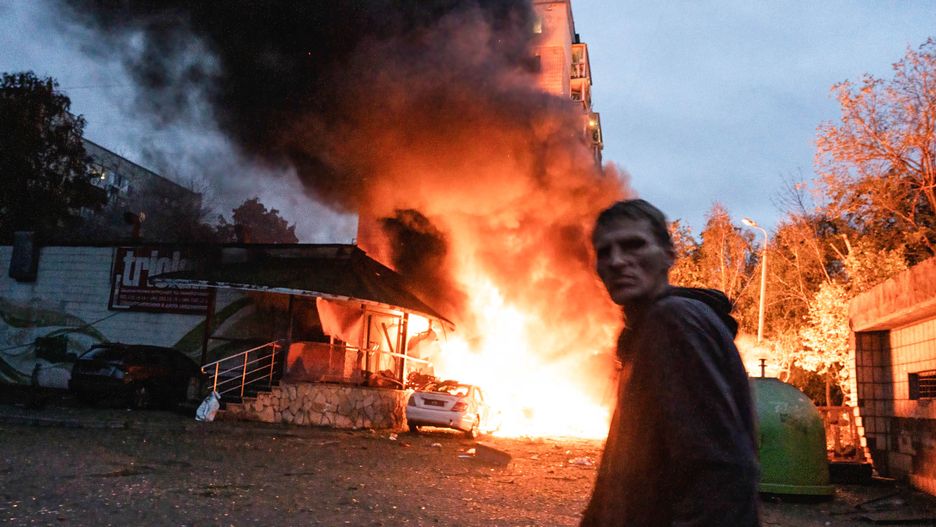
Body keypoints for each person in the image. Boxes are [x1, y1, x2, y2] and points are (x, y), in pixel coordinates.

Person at [581, 199, 760, 527]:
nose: (617, 261)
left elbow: (721, 473)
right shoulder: (650, 330)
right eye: (605, 252)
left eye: (634, 245)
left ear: (668, 254)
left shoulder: (673, 321)